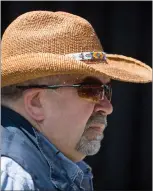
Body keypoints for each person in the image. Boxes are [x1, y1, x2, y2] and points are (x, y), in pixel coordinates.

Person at [1, 10, 152, 191]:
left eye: (107, 90)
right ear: (36, 102)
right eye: (91, 90)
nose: (107, 107)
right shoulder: (15, 176)